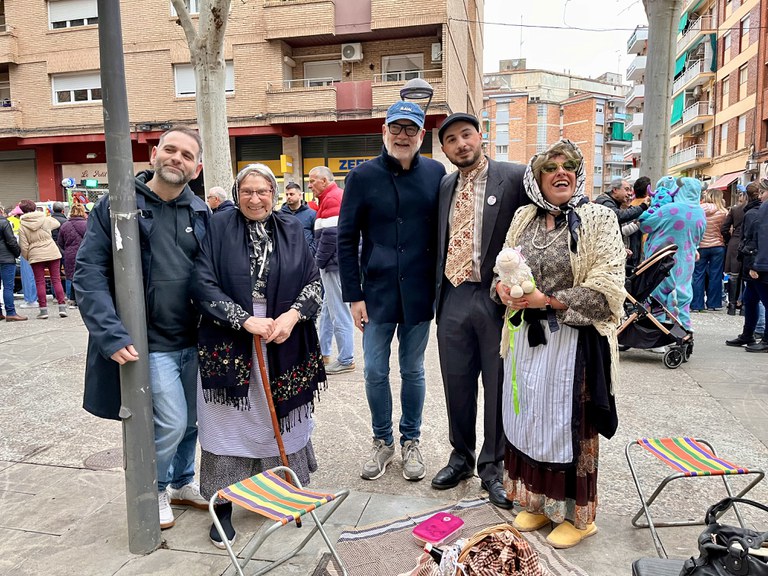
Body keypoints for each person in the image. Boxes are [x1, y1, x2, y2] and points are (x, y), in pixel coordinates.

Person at [74, 126, 211, 530]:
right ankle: (154, 489)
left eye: (187, 155)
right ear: (154, 154)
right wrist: (110, 333)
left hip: (195, 339)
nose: (177, 159)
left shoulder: (199, 211)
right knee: (170, 422)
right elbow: (89, 273)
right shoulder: (119, 205)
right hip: (149, 343)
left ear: (196, 168)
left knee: (192, 422)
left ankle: (183, 482)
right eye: (170, 150)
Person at [494, 139, 624, 548]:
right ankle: (537, 504)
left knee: (569, 428)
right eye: (550, 168)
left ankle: (578, 517)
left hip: (573, 342)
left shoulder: (598, 218)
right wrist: (503, 289)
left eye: (568, 166)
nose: (560, 173)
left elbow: (608, 287)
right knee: (529, 422)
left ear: (579, 173)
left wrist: (548, 300)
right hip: (526, 339)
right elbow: (504, 264)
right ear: (537, 179)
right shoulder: (523, 217)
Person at [193, 163, 325, 549]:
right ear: (237, 195)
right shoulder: (218, 226)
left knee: (278, 420)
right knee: (226, 423)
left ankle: (283, 491)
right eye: (247, 192)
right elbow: (201, 282)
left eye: (263, 191)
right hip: (229, 337)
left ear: (274, 194)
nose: (255, 199)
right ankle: (222, 505)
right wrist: (243, 319)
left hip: (283, 337)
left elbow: (314, 282)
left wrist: (292, 316)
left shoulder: (292, 228)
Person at [338, 101, 445, 482]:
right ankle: (382, 440)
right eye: (396, 128)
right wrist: (354, 295)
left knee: (413, 370)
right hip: (377, 293)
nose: (403, 136)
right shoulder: (361, 176)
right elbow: (346, 239)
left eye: (410, 129)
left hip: (419, 291)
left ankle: (411, 439)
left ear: (421, 135)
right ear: (384, 131)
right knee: (374, 370)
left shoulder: (436, 173)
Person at [430, 112, 527, 509]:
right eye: (451, 140)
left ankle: (494, 466)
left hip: (494, 297)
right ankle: (461, 457)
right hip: (452, 294)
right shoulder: (445, 185)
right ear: (444, 149)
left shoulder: (514, 176)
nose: (461, 144)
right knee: (456, 382)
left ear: (480, 135)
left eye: (466, 135)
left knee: (498, 383)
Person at [639, 177, 707, 331]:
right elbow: (699, 237)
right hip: (686, 260)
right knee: (683, 295)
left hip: (662, 259)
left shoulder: (669, 209)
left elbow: (645, 226)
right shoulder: (700, 213)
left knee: (658, 295)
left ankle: (657, 330)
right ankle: (683, 329)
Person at [310, 166, 355, 374]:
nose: (310, 185)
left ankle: (346, 359)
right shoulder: (331, 198)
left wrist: (318, 262)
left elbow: (330, 236)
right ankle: (324, 352)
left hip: (332, 264)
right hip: (333, 263)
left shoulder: (332, 198)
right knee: (329, 310)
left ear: (325, 181)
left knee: (338, 311)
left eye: (313, 181)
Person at [726, 180, 768, 351]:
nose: (762, 195)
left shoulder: (756, 212)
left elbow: (756, 239)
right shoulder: (758, 210)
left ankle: (764, 339)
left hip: (757, 262)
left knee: (761, 299)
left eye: (764, 192)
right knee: (750, 299)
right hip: (755, 260)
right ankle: (748, 334)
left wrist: (754, 265)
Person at [17, 199, 68, 320]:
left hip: (35, 254)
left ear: (22, 210)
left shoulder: (22, 225)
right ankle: (62, 307)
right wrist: (45, 217)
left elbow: (23, 246)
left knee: (40, 282)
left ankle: (43, 310)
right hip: (52, 251)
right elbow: (57, 223)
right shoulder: (44, 219)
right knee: (56, 280)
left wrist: (28, 256)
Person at [691, 189, 728, 312]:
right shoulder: (723, 212)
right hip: (718, 245)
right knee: (715, 275)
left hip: (701, 246)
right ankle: (714, 303)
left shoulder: (699, 209)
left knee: (698, 274)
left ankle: (697, 304)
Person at [721, 185, 749, 315]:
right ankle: (744, 306)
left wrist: (729, 240)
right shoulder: (757, 210)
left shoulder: (735, 209)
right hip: (749, 243)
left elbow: (724, 228)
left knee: (733, 275)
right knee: (746, 277)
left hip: (735, 242)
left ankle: (731, 305)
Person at [56, 202, 88, 308]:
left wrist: (66, 251)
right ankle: (83, 299)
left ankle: (72, 299)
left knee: (72, 277)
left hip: (69, 255)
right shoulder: (87, 224)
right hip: (85, 253)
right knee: (85, 276)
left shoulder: (65, 225)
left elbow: (60, 242)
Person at [0, 205, 26, 321]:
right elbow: (11, 241)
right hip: (6, 259)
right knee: (8, 287)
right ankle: (10, 312)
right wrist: (16, 253)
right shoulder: (4, 222)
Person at [279, 181, 316, 253]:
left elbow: (317, 237)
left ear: (300, 195)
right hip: (285, 256)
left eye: (291, 194)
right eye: (287, 194)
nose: (288, 196)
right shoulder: (279, 215)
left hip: (305, 256)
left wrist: (310, 253)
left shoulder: (312, 214)